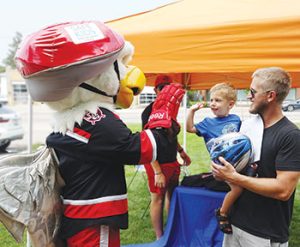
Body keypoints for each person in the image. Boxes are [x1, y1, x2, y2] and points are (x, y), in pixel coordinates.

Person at [211, 67, 300, 247]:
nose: (249, 96)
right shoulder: (248, 126)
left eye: (252, 91)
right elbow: (242, 171)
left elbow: (283, 189)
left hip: (264, 232)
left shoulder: (290, 135)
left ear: (270, 96)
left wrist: (234, 177)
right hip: (236, 223)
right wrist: (223, 171)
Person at [187, 82, 243, 234]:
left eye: (218, 100)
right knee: (238, 188)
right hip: (221, 168)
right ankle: (222, 213)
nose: (212, 103)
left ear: (230, 104)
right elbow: (190, 128)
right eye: (211, 100)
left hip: (237, 165)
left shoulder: (236, 120)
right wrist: (191, 112)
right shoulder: (207, 123)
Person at [142, 75, 191, 239]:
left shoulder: (170, 109)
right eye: (161, 87)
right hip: (157, 163)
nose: (165, 90)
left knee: (172, 194)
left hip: (171, 161)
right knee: (157, 199)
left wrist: (181, 151)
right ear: (155, 90)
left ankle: (171, 229)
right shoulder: (149, 111)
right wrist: (157, 171)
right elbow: (146, 144)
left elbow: (171, 134)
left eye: (167, 87)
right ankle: (159, 236)